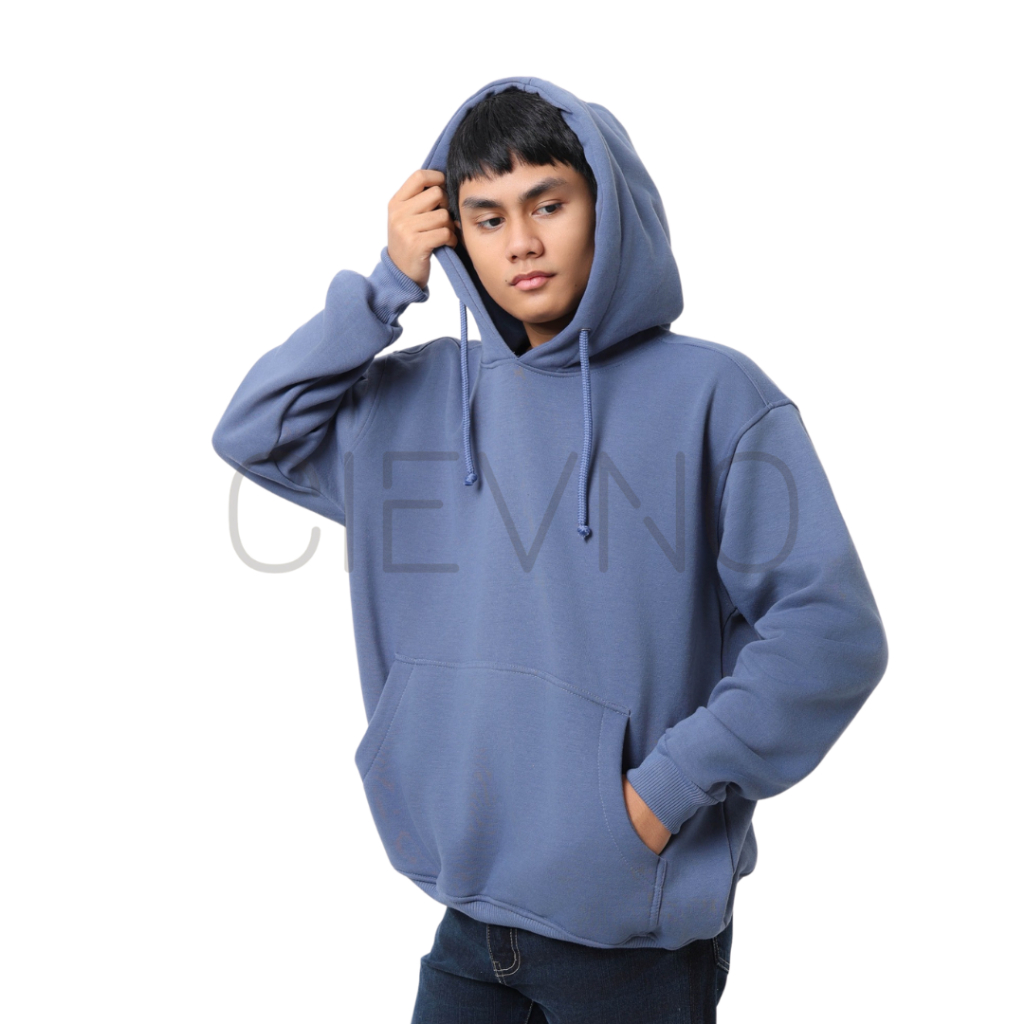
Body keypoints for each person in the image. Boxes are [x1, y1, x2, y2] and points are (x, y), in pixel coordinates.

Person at [211, 76, 889, 1022]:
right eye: (486, 218)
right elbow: (257, 432)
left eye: (548, 205)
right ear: (454, 233)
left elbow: (829, 633)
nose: (520, 242)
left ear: (606, 208)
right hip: (468, 909)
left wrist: (662, 793)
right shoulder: (412, 400)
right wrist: (385, 286)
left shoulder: (714, 396)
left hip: (636, 933)